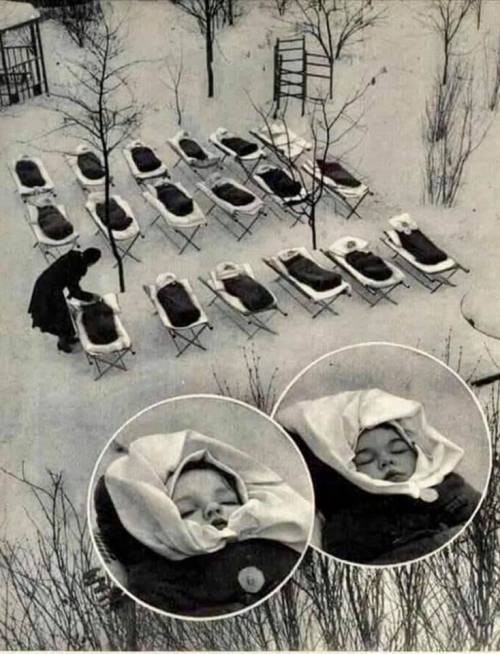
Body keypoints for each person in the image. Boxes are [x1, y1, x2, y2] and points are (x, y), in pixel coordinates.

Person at [94, 430, 312, 616]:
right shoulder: (159, 579)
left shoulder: (279, 543)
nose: (213, 508)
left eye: (226, 500)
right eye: (189, 510)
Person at [276, 388, 482, 565]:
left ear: (416, 452)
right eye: (366, 459)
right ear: (351, 471)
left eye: (398, 450)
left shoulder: (451, 487)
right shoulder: (350, 522)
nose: (386, 461)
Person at [28, 248, 101, 353]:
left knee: (63, 317)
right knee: (61, 319)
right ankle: (63, 343)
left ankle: (67, 338)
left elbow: (70, 283)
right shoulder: (76, 267)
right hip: (48, 292)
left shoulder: (74, 257)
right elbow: (75, 291)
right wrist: (92, 297)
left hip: (45, 283)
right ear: (91, 262)